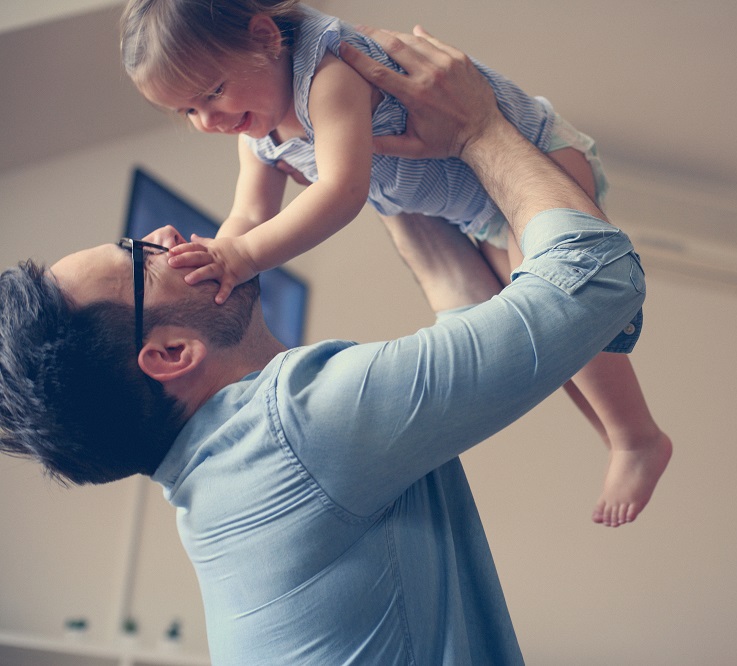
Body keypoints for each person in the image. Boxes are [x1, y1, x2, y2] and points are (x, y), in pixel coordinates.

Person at [0, 26, 666, 663]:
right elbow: (596, 278)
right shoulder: (299, 430)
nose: (166, 235)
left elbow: (467, 308)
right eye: (141, 258)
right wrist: (478, 129)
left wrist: (376, 171)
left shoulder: (223, 485)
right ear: (172, 354)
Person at [120, 0, 671, 527]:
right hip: (482, 211)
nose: (207, 120)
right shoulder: (258, 133)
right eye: (187, 110)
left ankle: (636, 437)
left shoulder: (328, 75)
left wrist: (239, 256)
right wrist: (215, 264)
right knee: (557, 347)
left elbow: (341, 191)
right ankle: (616, 434)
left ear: (264, 39)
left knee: (557, 307)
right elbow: (247, 214)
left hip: (537, 156)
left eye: (212, 92)